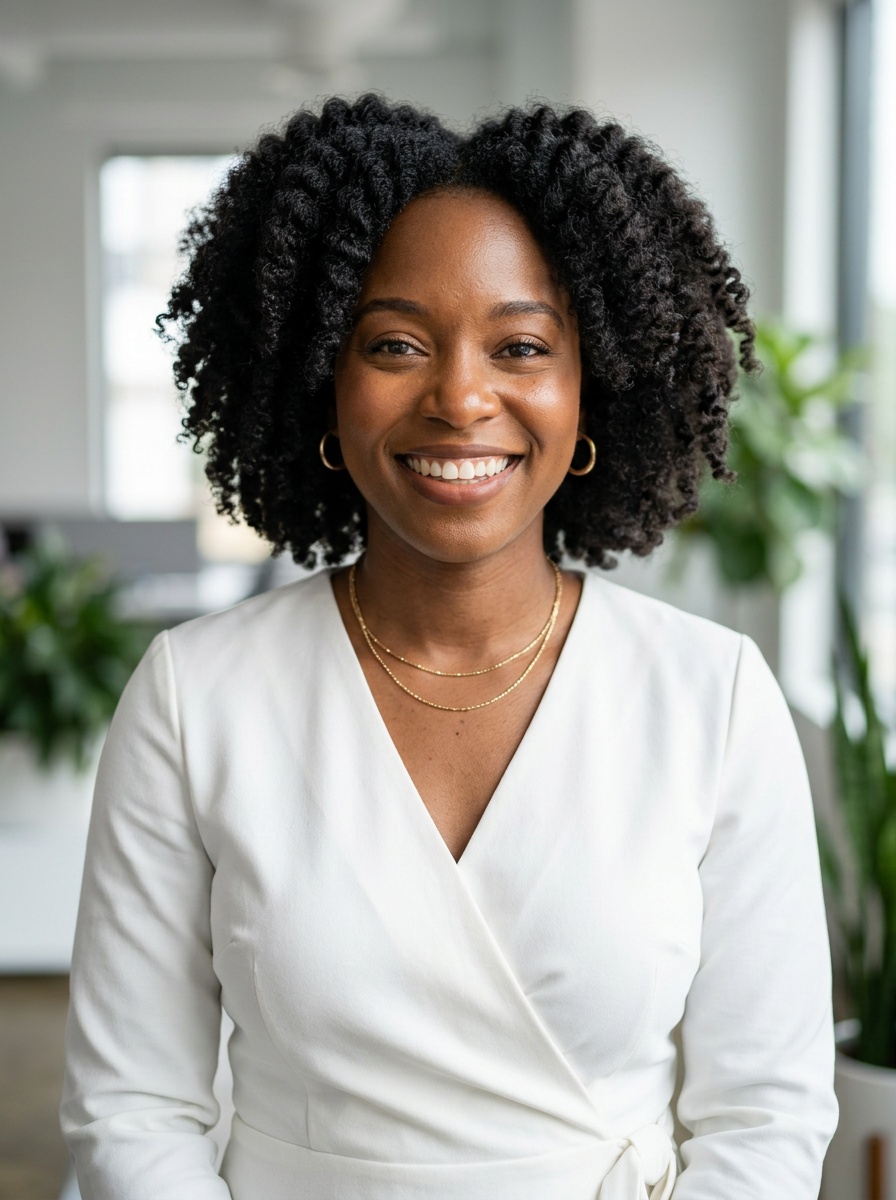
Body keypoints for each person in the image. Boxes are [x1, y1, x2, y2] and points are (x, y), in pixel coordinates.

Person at [60, 95, 838, 1199]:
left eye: (519, 345)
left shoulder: (709, 698)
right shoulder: (195, 697)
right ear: (321, 382)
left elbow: (764, 1111)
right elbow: (132, 1107)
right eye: (394, 344)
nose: (460, 397)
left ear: (591, 389)